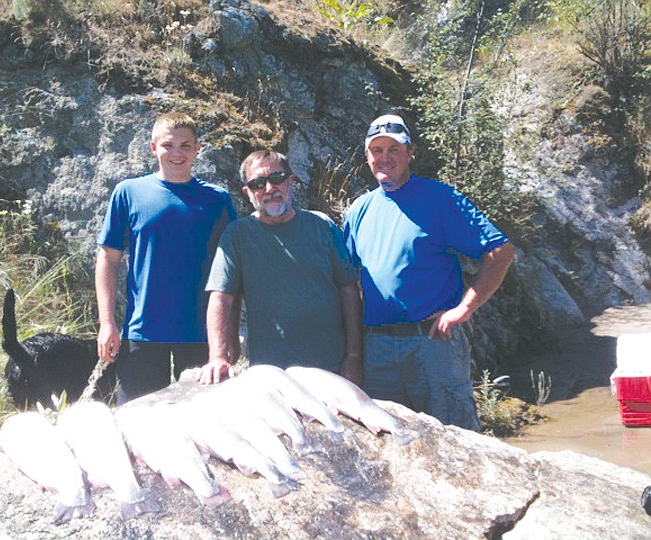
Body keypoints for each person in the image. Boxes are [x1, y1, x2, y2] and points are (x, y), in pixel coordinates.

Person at [343, 114, 516, 431]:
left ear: (410, 153)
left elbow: (500, 252)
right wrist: (353, 353)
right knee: (387, 444)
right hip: (377, 350)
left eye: (394, 149)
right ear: (367, 157)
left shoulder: (441, 199)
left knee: (458, 440)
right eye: (377, 150)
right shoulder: (358, 211)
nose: (385, 158)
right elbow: (348, 285)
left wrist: (464, 309)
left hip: (433, 344)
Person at [96, 112, 236, 404]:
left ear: (197, 149)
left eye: (186, 146)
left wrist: (229, 336)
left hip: (201, 334)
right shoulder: (128, 193)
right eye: (168, 145)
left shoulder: (218, 200)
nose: (177, 153)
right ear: (153, 148)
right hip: (143, 331)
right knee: (138, 425)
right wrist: (107, 323)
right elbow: (108, 260)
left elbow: (233, 270)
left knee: (205, 425)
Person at [197, 150, 363, 385]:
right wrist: (218, 357)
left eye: (277, 178)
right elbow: (221, 298)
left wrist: (354, 357)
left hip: (332, 369)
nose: (269, 189)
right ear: (247, 192)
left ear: (291, 181)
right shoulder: (238, 235)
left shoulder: (322, 226)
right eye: (257, 183)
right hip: (271, 375)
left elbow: (350, 291)